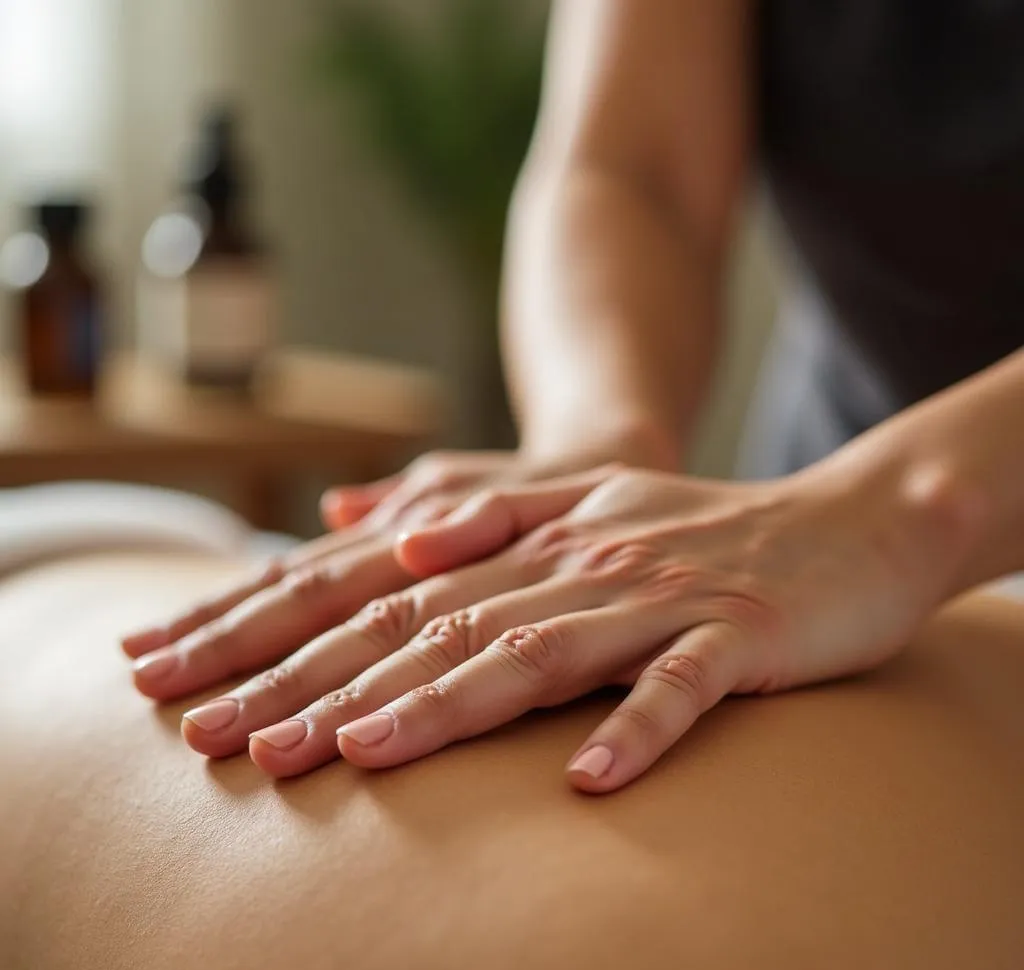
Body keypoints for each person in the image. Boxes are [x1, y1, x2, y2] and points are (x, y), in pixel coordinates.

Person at [122, 1, 1024, 794]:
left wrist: (909, 510)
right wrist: (593, 446)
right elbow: (637, 173)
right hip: (806, 539)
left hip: (851, 532)